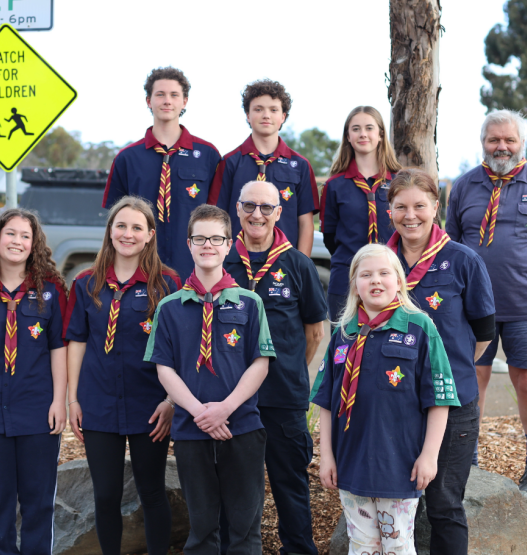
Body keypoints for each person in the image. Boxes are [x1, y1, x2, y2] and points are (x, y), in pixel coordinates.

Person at [445, 109, 527, 500]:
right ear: (483, 143)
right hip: (472, 307)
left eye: (509, 140)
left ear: (521, 144)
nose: (501, 146)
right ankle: (469, 460)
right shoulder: (464, 186)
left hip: (526, 304)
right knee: (473, 381)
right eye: (493, 140)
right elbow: (450, 242)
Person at [144, 205, 275, 555]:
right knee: (201, 530)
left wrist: (226, 409)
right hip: (191, 429)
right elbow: (164, 369)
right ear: (189, 244)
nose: (208, 245)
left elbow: (260, 363)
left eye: (216, 238)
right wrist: (200, 412)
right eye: (200, 238)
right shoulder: (170, 307)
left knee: (245, 529)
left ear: (229, 245)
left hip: (241, 427)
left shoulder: (250, 303)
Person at [311, 244, 458, 555]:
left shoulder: (420, 328)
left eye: (383, 273)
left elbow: (439, 399)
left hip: (399, 464)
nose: (375, 280)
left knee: (398, 545)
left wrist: (429, 456)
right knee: (362, 545)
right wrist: (327, 456)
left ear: (399, 281)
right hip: (351, 462)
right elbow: (326, 401)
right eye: (366, 274)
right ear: (354, 285)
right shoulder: (344, 333)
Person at [386, 169, 496, 555]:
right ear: (390, 211)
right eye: (401, 206)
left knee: (445, 505)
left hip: (452, 405)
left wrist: (448, 372)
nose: (410, 215)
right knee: (395, 502)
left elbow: (484, 335)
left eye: (419, 205)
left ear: (436, 207)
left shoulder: (463, 260)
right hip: (393, 401)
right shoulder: (381, 262)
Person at [66, 196, 181, 555]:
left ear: (149, 235)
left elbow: (180, 348)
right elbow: (77, 342)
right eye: (121, 226)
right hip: (98, 402)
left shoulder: (168, 284)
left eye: (136, 227)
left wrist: (171, 401)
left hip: (151, 405)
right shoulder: (86, 283)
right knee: (105, 494)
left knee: (151, 490)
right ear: (110, 230)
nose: (127, 234)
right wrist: (73, 399)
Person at [223, 181, 327, 555]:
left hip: (282, 396)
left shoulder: (297, 264)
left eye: (266, 208)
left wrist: (283, 371)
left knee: (290, 483)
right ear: (237, 209)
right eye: (249, 206)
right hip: (229, 398)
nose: (257, 214)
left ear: (278, 213)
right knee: (233, 485)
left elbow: (314, 333)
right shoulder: (220, 260)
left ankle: (298, 549)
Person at [0, 209, 68, 555]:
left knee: (38, 501)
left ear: (34, 245)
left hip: (37, 411)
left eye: (25, 236)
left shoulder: (51, 292)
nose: (17, 241)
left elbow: (59, 351)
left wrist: (58, 402)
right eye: (11, 233)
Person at [104, 67, 222, 280]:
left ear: (184, 101)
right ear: (148, 101)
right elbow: (114, 221)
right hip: (140, 272)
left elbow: (220, 217)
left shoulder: (208, 155)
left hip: (194, 270)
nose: (167, 101)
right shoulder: (127, 158)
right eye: (160, 94)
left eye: (174, 95)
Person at [210, 79, 320, 255]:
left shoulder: (300, 166)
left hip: (284, 263)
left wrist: (301, 267)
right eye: (258, 109)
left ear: (283, 116)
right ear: (247, 115)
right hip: (235, 260)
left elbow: (306, 223)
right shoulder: (230, 162)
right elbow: (217, 217)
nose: (266, 115)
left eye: (273, 110)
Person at [321, 106, 402, 322]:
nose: (363, 134)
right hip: (347, 278)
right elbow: (330, 237)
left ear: (380, 134)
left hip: (391, 278)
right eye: (356, 129)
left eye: (369, 128)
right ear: (348, 136)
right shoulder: (334, 185)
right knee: (344, 342)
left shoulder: (399, 182)